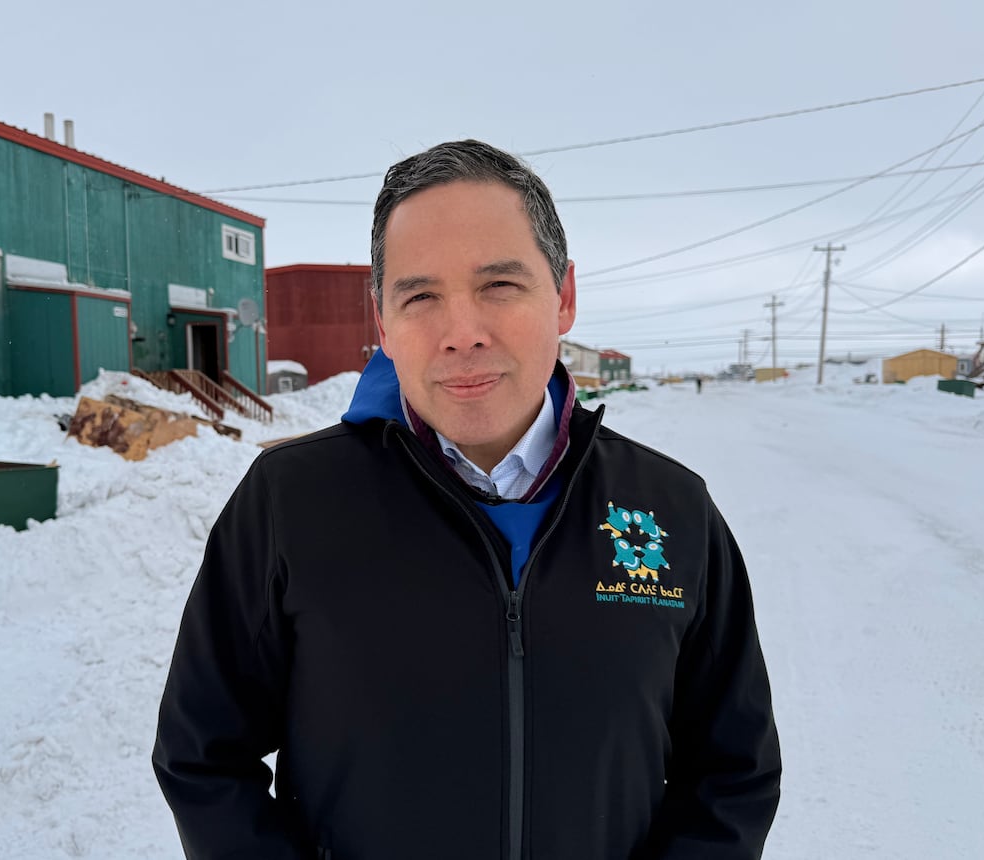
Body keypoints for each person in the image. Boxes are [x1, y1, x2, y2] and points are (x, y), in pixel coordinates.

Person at [153, 140, 781, 859]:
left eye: (500, 285)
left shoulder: (670, 511)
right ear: (383, 323)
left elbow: (733, 773)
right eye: (420, 296)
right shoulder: (290, 505)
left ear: (565, 296)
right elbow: (203, 757)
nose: (462, 334)